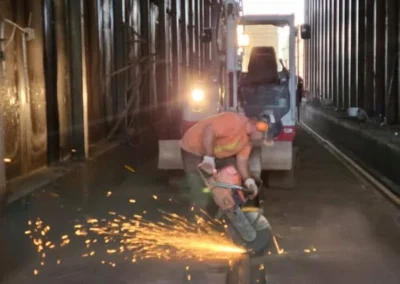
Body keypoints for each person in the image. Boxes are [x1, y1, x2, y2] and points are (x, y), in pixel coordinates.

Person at [179, 111, 270, 208]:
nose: (263, 139)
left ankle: (222, 211)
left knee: (228, 183)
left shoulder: (247, 142)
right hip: (193, 149)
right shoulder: (234, 121)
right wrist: (209, 159)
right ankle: (198, 216)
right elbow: (209, 130)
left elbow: (242, 162)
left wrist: (249, 181)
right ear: (258, 126)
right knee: (198, 187)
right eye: (263, 135)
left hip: (215, 154)